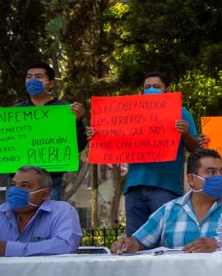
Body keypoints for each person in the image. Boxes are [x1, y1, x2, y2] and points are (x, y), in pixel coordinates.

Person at [86, 71, 206, 236]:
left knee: (166, 238)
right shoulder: (131, 115)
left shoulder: (181, 112)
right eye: (147, 87)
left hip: (166, 187)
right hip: (134, 188)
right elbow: (115, 140)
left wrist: (185, 133)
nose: (151, 90)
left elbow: (196, 149)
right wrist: (97, 134)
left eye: (156, 86)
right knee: (135, 241)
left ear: (167, 90)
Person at [0, 61, 88, 202]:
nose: (32, 80)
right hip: (18, 181)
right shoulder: (15, 112)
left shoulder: (65, 110)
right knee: (15, 214)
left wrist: (77, 121)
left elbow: (78, 145)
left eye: (38, 77)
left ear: (51, 84)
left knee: (47, 215)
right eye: (29, 77)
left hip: (50, 180)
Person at [111, 149, 222, 254]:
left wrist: (220, 245)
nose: (220, 177)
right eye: (211, 172)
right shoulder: (168, 211)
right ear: (191, 179)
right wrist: (126, 244)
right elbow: (138, 241)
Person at [0, 166, 82, 257]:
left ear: (44, 194)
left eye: (25, 186)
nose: (15, 190)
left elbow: (66, 245)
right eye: (13, 185)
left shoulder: (62, 211)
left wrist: (7, 249)